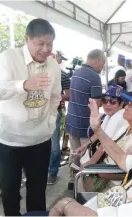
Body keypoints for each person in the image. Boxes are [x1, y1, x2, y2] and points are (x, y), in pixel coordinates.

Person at [0, 18, 61, 216]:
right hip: (10, 141)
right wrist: (23, 85)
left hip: (40, 140)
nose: (46, 49)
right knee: (9, 190)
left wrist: (49, 123)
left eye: (50, 44)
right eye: (40, 43)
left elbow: (55, 97)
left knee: (38, 190)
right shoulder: (8, 58)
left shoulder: (53, 65)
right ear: (27, 39)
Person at [79, 89, 132, 192]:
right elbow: (108, 145)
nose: (126, 107)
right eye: (127, 104)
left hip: (115, 186)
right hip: (102, 169)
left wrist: (96, 172)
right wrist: (96, 128)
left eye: (131, 105)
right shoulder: (127, 126)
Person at [65, 49, 105, 190]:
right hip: (84, 123)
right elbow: (97, 103)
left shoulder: (76, 72)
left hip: (71, 120)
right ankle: (82, 184)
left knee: (73, 152)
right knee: (85, 154)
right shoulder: (94, 77)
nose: (103, 67)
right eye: (103, 64)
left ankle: (71, 179)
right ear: (98, 60)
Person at [48, 50, 70, 185]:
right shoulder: (35, 73)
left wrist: (56, 97)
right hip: (36, 115)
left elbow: (69, 95)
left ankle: (53, 172)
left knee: (54, 147)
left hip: (54, 113)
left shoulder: (63, 75)